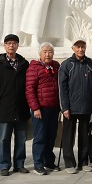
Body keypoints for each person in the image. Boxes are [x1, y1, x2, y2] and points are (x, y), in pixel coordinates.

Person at [0, 34, 31, 176]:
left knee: (21, 139)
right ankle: (4, 165)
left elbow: (28, 86)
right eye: (8, 43)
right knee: (3, 139)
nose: (11, 45)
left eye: (14, 43)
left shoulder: (24, 64)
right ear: (4, 46)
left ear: (18, 46)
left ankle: (19, 164)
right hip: (4, 108)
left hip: (21, 108)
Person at [58, 39, 92, 173]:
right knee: (68, 136)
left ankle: (83, 162)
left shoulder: (90, 64)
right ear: (73, 48)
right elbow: (62, 88)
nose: (80, 49)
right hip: (70, 107)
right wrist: (64, 107)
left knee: (85, 136)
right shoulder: (66, 65)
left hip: (86, 106)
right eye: (78, 47)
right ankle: (69, 163)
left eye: (83, 47)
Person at [26, 43, 62, 175]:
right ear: (40, 54)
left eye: (50, 51)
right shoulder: (34, 68)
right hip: (40, 109)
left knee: (51, 136)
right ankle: (38, 164)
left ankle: (49, 161)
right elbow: (29, 90)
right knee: (40, 137)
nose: (47, 54)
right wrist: (35, 108)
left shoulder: (56, 66)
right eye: (45, 51)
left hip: (54, 108)